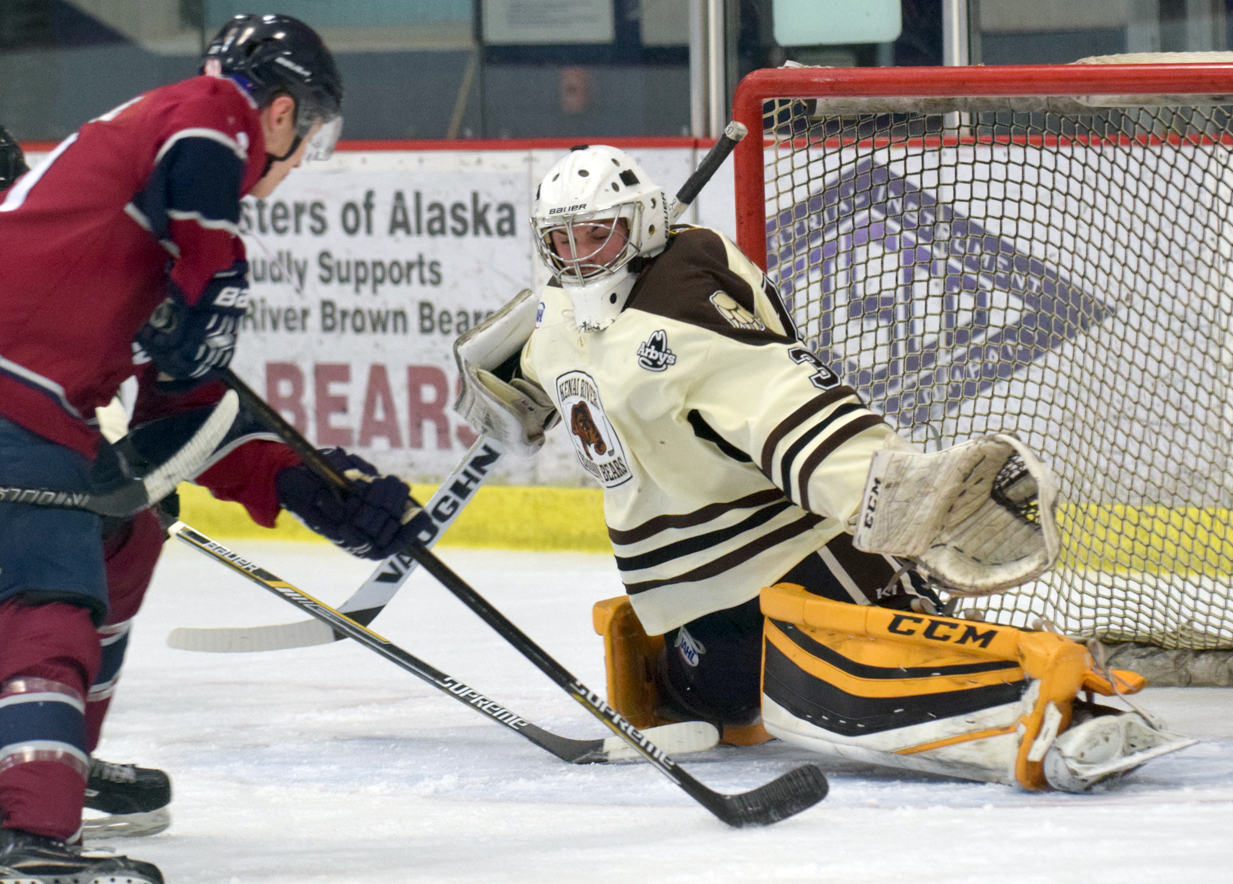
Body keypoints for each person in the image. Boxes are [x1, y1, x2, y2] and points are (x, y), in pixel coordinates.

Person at [453, 144, 1194, 792]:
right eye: (563, 239)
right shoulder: (552, 319)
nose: (580, 255)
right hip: (686, 591)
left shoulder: (683, 314)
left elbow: (783, 404)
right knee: (719, 700)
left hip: (792, 551)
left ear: (642, 224)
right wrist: (501, 379)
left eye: (598, 234)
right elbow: (546, 363)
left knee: (869, 682)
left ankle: (1080, 709)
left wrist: (895, 494)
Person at [0, 16, 421, 884]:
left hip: (34, 405)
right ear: (275, 114)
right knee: (51, 580)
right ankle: (27, 833)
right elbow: (204, 119)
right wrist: (218, 267)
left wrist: (314, 488)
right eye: (310, 132)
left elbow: (183, 417)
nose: (303, 156)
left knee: (129, 529)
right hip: (14, 401)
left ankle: (46, 757)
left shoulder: (147, 223)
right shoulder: (199, 119)